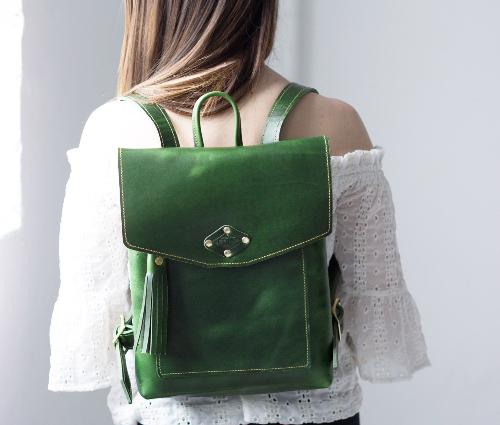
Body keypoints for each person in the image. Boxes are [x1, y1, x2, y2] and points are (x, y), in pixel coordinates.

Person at [48, 1, 431, 424]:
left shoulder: (112, 129)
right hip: (318, 414)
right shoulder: (336, 123)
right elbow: (375, 307)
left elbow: (95, 320)